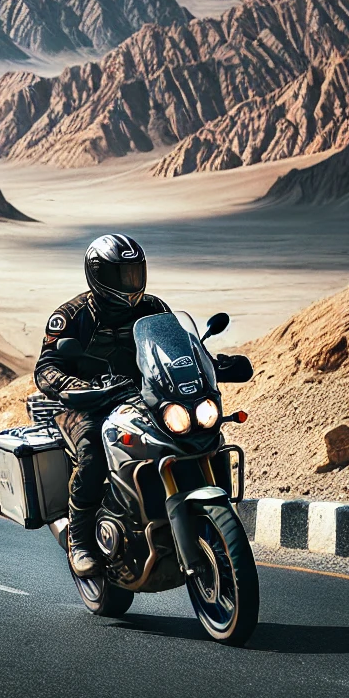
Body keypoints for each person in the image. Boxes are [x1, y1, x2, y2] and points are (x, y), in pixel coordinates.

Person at [34, 233, 254, 578]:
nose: (130, 282)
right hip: (85, 405)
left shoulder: (153, 308)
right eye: (120, 275)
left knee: (194, 430)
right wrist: (78, 388)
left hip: (145, 397)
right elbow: (46, 369)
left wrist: (214, 365)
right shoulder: (73, 316)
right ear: (98, 275)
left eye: (134, 273)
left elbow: (178, 348)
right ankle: (81, 542)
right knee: (92, 448)